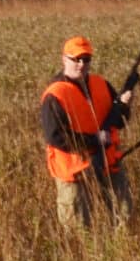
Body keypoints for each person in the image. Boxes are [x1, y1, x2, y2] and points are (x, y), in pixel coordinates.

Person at [41, 35, 130, 230]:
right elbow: (55, 137)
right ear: (64, 59)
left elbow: (121, 121)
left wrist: (124, 106)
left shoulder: (101, 84)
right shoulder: (55, 94)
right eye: (76, 59)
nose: (82, 64)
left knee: (125, 219)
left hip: (108, 163)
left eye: (86, 59)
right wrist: (93, 140)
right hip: (74, 171)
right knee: (78, 231)